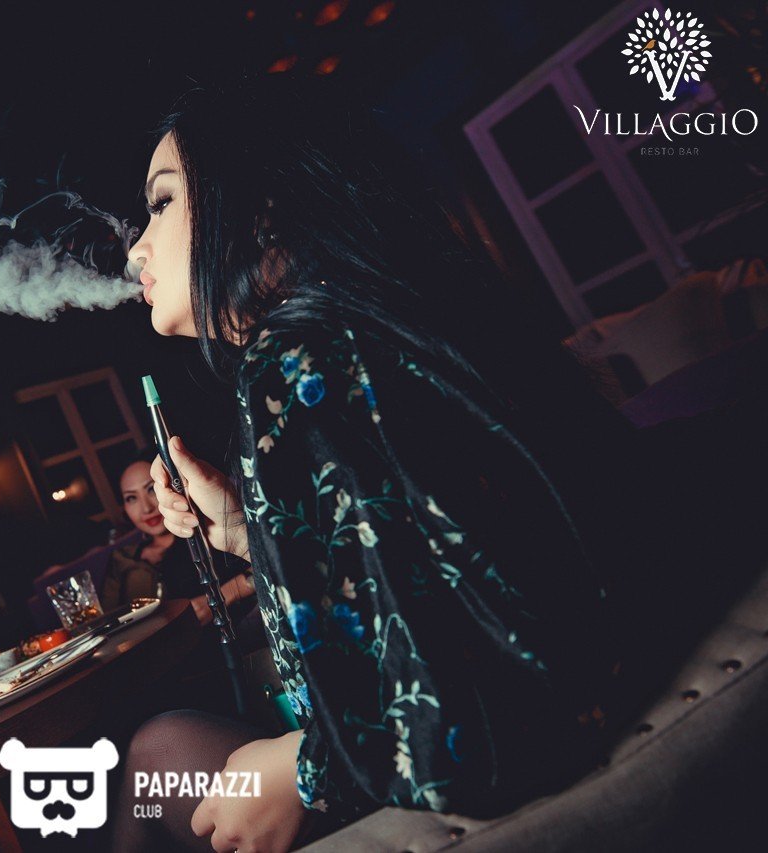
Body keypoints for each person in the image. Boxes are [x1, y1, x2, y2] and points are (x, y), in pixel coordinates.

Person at [107, 78, 760, 853]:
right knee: (157, 751)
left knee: (153, 756)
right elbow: (432, 566)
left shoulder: (297, 362)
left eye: (162, 203)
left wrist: (306, 770)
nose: (135, 248)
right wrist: (253, 529)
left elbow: (478, 707)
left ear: (262, 208)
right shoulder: (369, 324)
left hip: (454, 777)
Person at [103, 448, 257, 627]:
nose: (146, 508)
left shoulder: (207, 532)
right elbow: (107, 620)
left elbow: (267, 561)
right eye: (131, 498)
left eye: (151, 489)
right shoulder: (122, 558)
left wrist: (223, 596)